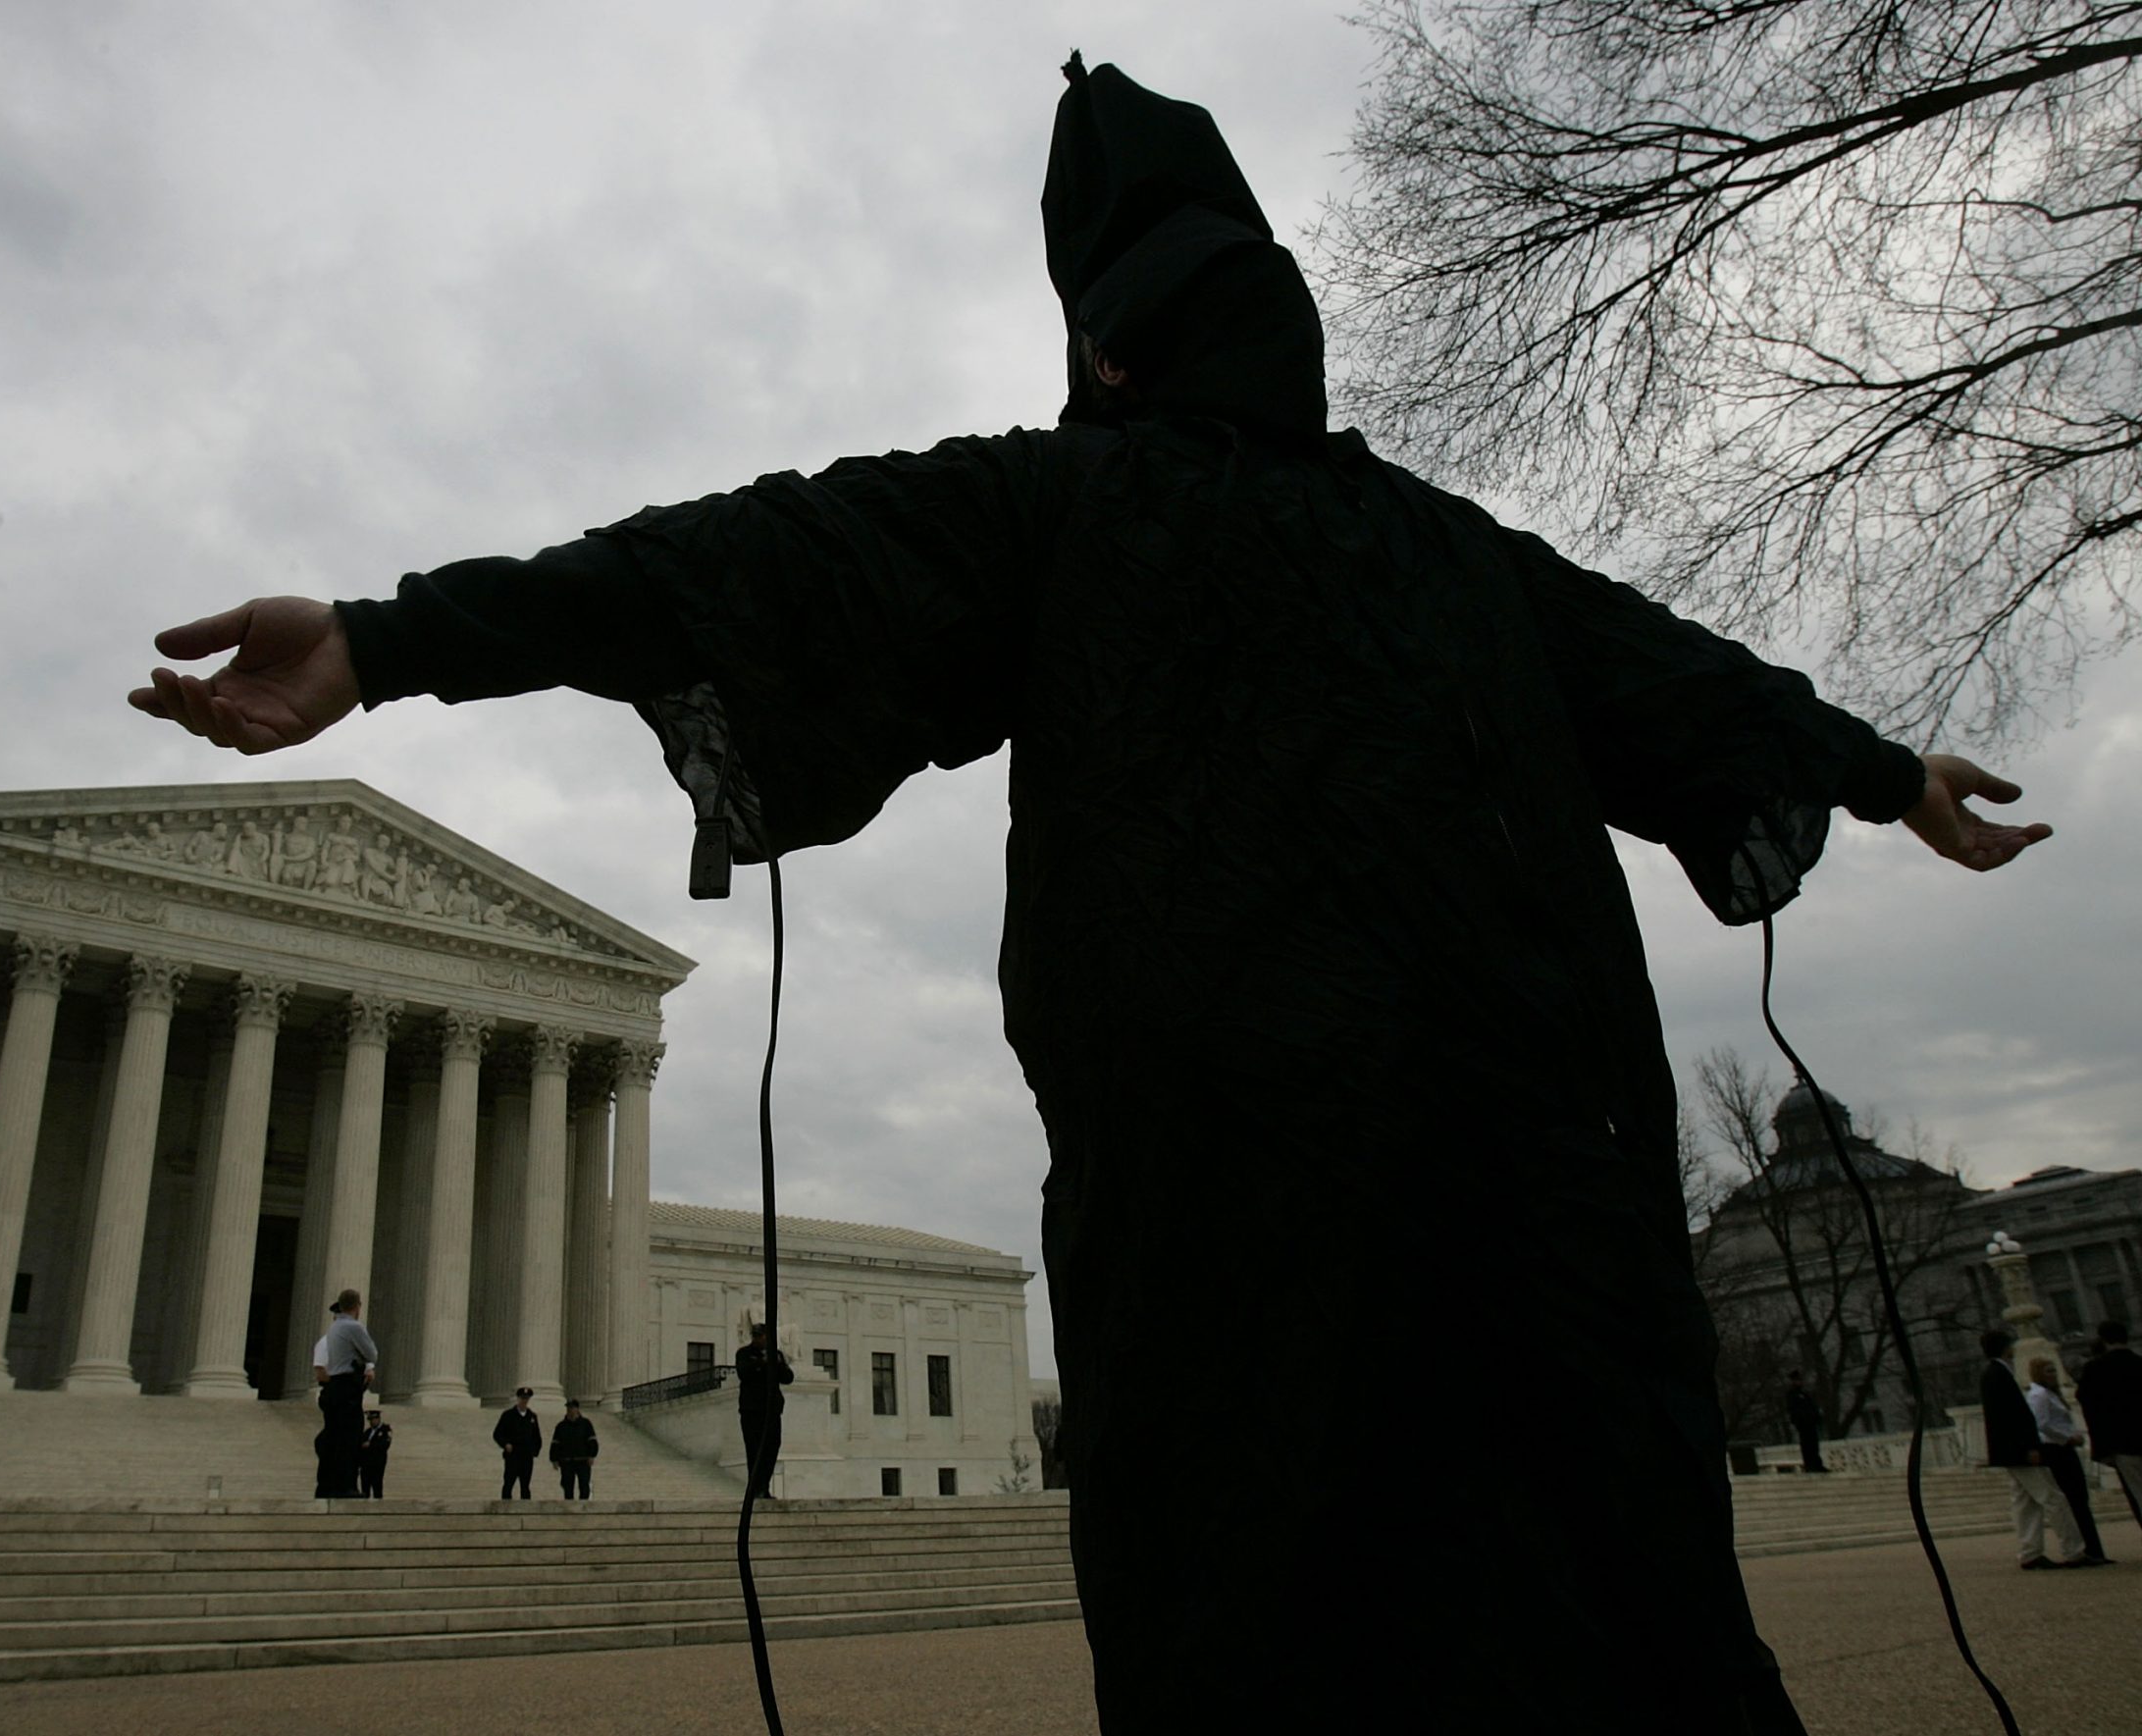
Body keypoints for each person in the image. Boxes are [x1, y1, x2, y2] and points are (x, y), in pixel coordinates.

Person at [128, 54, 2055, 1729]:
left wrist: (387, 638)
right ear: (1271, 325)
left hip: (1226, 1223)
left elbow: (726, 562)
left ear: (1105, 345)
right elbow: (1683, 679)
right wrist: (1887, 773)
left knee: (1266, 1629)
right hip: (1541, 1213)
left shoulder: (1056, 514)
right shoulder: (1456, 561)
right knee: (1602, 1620)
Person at [1980, 1331, 2092, 1570]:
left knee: (2025, 1502)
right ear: (2004, 1347)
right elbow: (2013, 1418)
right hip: (2019, 1449)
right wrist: (2029, 1447)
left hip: (2009, 1450)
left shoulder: (1993, 1373)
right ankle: (2074, 1551)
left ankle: (2030, 1552)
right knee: (2053, 1498)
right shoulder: (1999, 1374)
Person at [2026, 1356, 2110, 1564]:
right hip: (2056, 1450)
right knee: (2074, 1499)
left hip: (2062, 1448)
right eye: (2048, 1371)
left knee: (2079, 1499)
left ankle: (2092, 1548)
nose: (2053, 1375)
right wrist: (2067, 1438)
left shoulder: (2048, 1394)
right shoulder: (2040, 1395)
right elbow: (2042, 1424)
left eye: (2054, 1370)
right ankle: (2087, 1548)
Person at [2075, 1319, 2142, 1529]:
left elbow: (2091, 1410)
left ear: (2103, 1340)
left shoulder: (2095, 1370)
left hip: (2122, 1443)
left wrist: (2102, 1448)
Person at [312, 1289, 377, 1499]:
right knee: (349, 1437)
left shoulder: (333, 1329)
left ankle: (326, 1486)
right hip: (347, 1387)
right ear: (357, 1306)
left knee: (333, 1437)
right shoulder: (353, 1327)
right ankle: (345, 1486)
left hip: (336, 1388)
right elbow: (372, 1353)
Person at [735, 1322, 794, 1500]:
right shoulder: (744, 1354)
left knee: (771, 1449)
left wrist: (778, 1365)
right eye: (758, 1336)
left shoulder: (777, 1355)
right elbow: (743, 1373)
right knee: (754, 1449)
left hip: (772, 1410)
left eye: (764, 1336)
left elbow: (788, 1378)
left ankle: (764, 1487)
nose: (761, 1339)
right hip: (752, 1409)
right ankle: (754, 1488)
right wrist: (762, 1362)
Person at [493, 1387, 541, 1499]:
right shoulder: (508, 1415)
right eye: (522, 1398)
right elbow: (497, 1434)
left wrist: (534, 1451)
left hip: (526, 1456)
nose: (524, 1401)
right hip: (513, 1455)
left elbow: (536, 1436)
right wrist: (505, 1444)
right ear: (518, 1398)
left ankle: (526, 1510)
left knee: (525, 1486)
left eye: (526, 1398)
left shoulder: (532, 1416)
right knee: (509, 1484)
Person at [549, 1397, 599, 1500]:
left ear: (577, 1409)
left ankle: (583, 1507)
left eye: (572, 1407)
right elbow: (555, 1443)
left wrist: (592, 1455)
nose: (570, 1410)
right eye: (568, 1408)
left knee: (584, 1486)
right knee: (567, 1487)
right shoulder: (561, 1426)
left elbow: (592, 1440)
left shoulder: (586, 1424)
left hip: (583, 1460)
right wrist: (554, 1459)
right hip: (567, 1461)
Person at [1784, 1372, 1826, 1474]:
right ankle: (1810, 1465)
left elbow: (1812, 1407)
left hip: (1811, 1423)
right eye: (1797, 1380)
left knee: (1814, 1444)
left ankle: (1817, 1464)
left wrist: (1816, 1416)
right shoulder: (1792, 1395)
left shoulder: (1805, 1394)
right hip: (1803, 1424)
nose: (1799, 1382)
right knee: (1807, 1444)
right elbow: (1794, 1410)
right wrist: (1801, 1419)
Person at [358, 1409, 392, 1499]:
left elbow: (385, 1445)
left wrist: (370, 1445)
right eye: (370, 1420)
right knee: (365, 1486)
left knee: (377, 1485)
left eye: (373, 1419)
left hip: (377, 1462)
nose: (372, 1422)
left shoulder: (385, 1429)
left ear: (378, 1419)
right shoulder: (367, 1432)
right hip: (366, 1464)